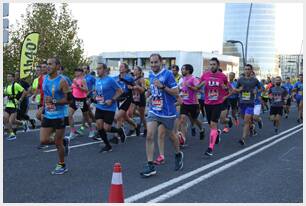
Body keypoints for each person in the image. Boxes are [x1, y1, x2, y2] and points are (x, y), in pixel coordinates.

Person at [140, 53, 183, 177]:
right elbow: (153, 89)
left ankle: (178, 154)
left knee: (172, 137)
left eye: (155, 62)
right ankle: (150, 165)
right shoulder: (151, 74)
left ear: (161, 62)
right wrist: (148, 93)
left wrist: (163, 87)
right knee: (149, 135)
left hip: (168, 112)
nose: (153, 65)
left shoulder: (168, 74)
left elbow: (176, 91)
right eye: (151, 62)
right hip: (154, 110)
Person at [39, 57, 71, 175]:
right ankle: (64, 142)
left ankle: (62, 164)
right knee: (43, 140)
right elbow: (46, 95)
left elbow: (68, 100)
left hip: (59, 116)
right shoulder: (44, 79)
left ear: (58, 66)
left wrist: (54, 101)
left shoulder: (62, 81)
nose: (48, 66)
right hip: (48, 114)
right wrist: (43, 108)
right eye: (47, 64)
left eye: (51, 64)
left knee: (58, 143)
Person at [196, 57, 229, 156]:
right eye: (210, 64)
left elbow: (227, 89)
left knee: (213, 124)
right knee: (211, 124)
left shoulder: (222, 76)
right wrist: (197, 88)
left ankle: (210, 148)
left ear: (218, 65)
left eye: (214, 64)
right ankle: (217, 133)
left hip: (218, 103)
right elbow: (198, 87)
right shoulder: (205, 75)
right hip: (207, 103)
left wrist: (225, 89)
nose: (212, 66)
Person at [93, 63, 125, 152]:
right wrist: (94, 97)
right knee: (99, 127)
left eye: (99, 68)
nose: (97, 70)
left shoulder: (110, 80)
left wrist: (112, 100)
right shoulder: (97, 80)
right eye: (97, 68)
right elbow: (97, 91)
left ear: (105, 70)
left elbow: (120, 91)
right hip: (99, 106)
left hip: (109, 108)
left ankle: (119, 130)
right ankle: (108, 145)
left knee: (106, 128)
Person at [111, 63, 139, 144]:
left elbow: (135, 87)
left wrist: (134, 91)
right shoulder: (116, 78)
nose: (120, 68)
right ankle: (136, 126)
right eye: (119, 67)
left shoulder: (130, 78)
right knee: (125, 118)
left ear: (126, 69)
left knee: (117, 117)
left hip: (127, 99)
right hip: (119, 99)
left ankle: (116, 136)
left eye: (122, 67)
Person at [177, 64, 205, 143]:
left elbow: (197, 88)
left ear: (188, 70)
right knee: (182, 119)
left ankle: (202, 129)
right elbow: (180, 89)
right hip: (184, 103)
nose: (181, 70)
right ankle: (182, 139)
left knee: (194, 120)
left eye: (183, 69)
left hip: (193, 104)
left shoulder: (193, 79)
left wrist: (190, 86)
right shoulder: (182, 79)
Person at [234, 64, 261, 146]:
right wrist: (239, 90)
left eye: (248, 69)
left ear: (251, 70)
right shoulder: (240, 80)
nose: (247, 71)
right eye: (245, 69)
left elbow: (261, 88)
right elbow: (236, 89)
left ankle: (243, 138)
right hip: (242, 103)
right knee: (244, 119)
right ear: (244, 70)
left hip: (250, 103)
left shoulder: (255, 80)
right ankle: (252, 126)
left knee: (246, 121)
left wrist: (257, 91)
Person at [68, 68, 95, 139]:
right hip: (75, 99)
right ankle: (73, 132)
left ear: (81, 73)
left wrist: (78, 86)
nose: (76, 73)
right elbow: (72, 88)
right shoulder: (74, 79)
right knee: (69, 115)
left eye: (77, 71)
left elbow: (86, 90)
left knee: (86, 116)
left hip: (82, 100)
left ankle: (92, 130)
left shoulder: (83, 80)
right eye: (75, 71)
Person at [4, 72, 28, 140]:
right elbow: (5, 94)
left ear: (13, 78)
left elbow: (24, 92)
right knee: (5, 119)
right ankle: (22, 124)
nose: (8, 78)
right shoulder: (7, 86)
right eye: (7, 76)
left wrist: (20, 99)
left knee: (11, 121)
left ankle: (13, 134)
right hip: (8, 105)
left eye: (9, 76)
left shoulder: (16, 85)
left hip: (14, 105)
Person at [127, 66, 147, 137]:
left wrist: (136, 87)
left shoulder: (141, 79)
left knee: (142, 116)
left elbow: (144, 89)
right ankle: (133, 128)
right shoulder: (133, 79)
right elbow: (132, 88)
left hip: (141, 97)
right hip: (134, 97)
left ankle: (145, 129)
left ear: (139, 71)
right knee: (129, 113)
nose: (134, 71)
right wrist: (130, 88)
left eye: (135, 70)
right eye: (134, 69)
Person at [77, 65, 96, 136]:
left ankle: (82, 128)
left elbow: (95, 87)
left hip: (89, 97)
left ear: (88, 70)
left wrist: (91, 93)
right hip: (82, 97)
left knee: (85, 113)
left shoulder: (91, 77)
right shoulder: (81, 78)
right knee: (87, 113)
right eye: (83, 68)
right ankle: (98, 124)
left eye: (85, 68)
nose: (83, 70)